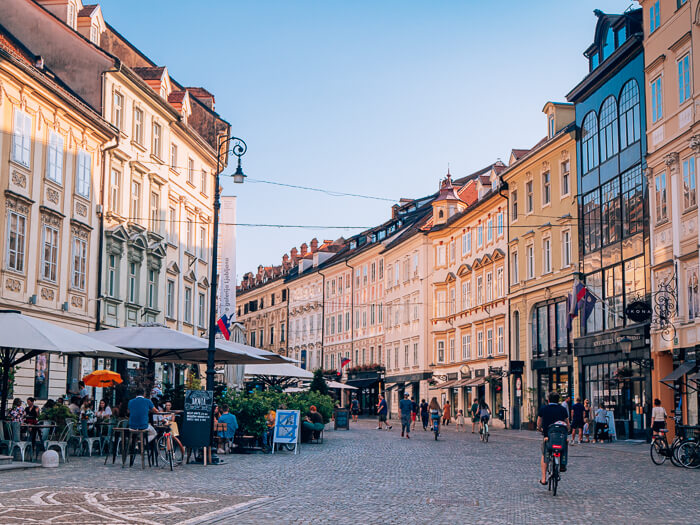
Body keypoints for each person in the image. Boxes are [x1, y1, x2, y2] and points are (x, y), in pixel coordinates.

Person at [537, 391, 570, 486]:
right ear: (558, 400)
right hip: (561, 436)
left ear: (548, 400)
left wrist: (539, 429)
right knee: (564, 447)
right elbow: (567, 423)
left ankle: (543, 479)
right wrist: (568, 430)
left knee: (545, 454)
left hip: (548, 436)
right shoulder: (562, 409)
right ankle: (563, 465)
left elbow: (539, 422)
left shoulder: (544, 408)